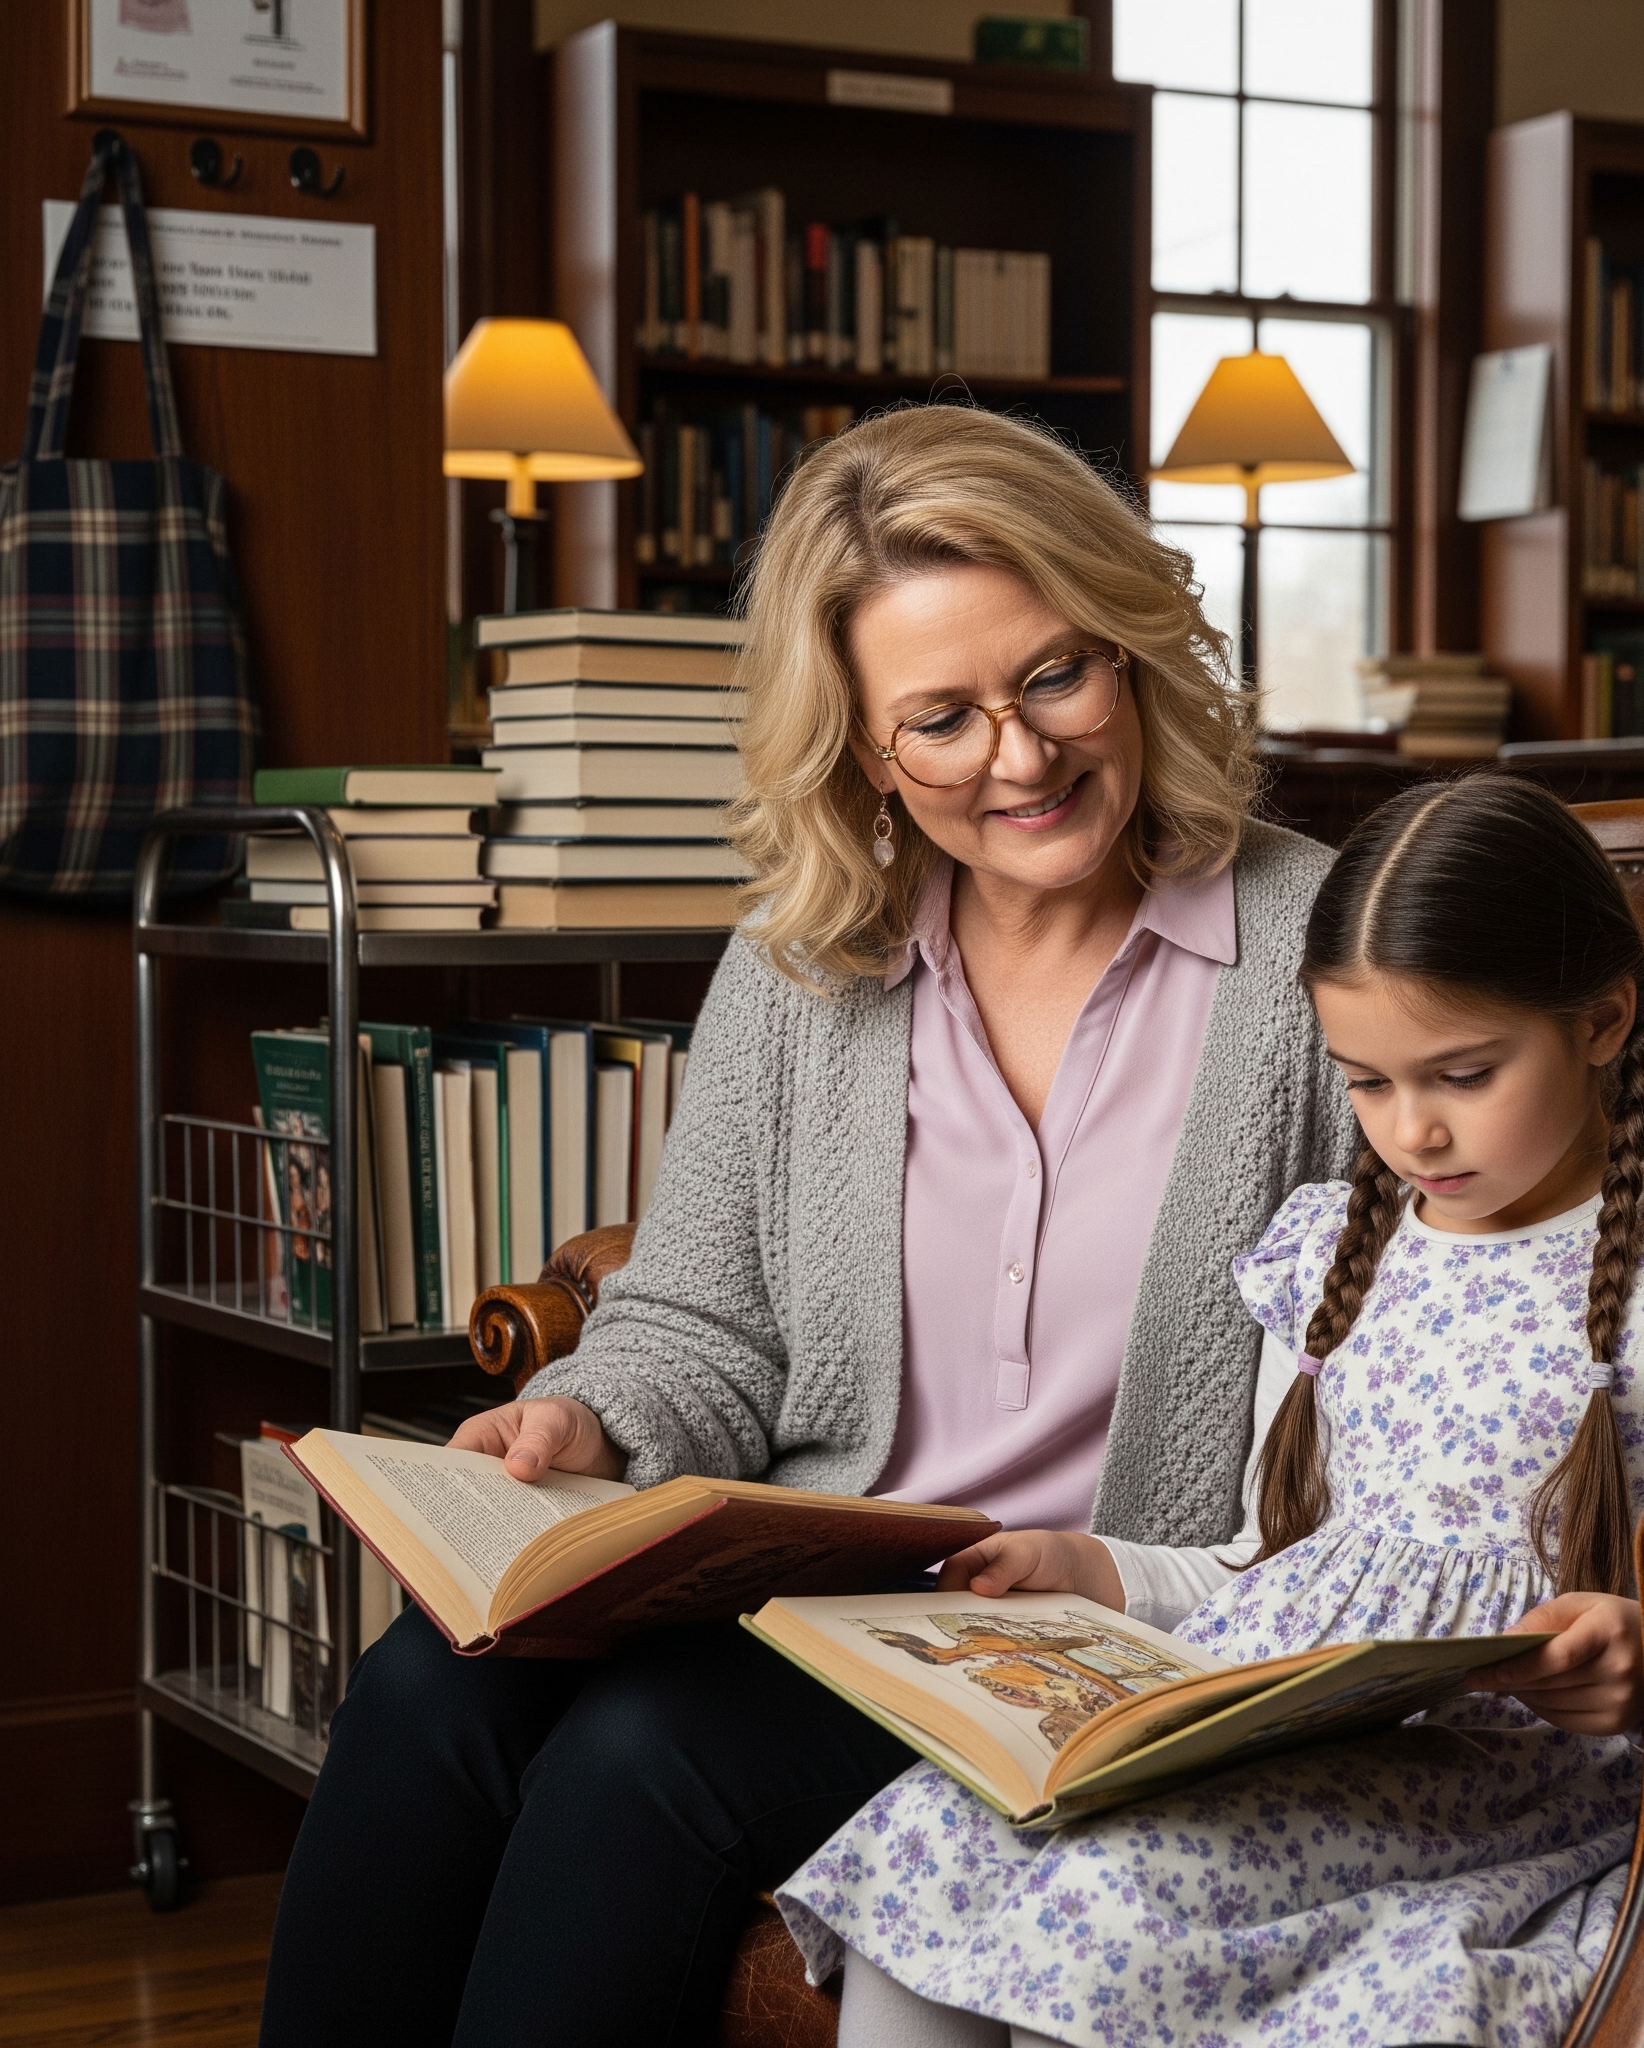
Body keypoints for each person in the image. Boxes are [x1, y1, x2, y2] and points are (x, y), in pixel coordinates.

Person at [257, 405, 1358, 2047]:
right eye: (940, 716)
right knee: (431, 1681)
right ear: (858, 745)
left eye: (1056, 673)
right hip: (830, 1597)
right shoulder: (801, 965)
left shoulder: (1321, 945)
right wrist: (590, 1414)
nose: (1019, 755)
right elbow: (698, 1318)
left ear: (1133, 649)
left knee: (645, 1754)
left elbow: (1447, 1303)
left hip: (1101, 1624)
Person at [775, 773, 1644, 2048]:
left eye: (1461, 1072)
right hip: (1278, 1729)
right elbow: (1260, 1562)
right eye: (1368, 1083)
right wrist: (1091, 1568)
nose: (1414, 1129)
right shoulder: (1332, 1253)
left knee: (1117, 1911)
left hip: (1505, 1782)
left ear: (1603, 1017)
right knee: (931, 1838)